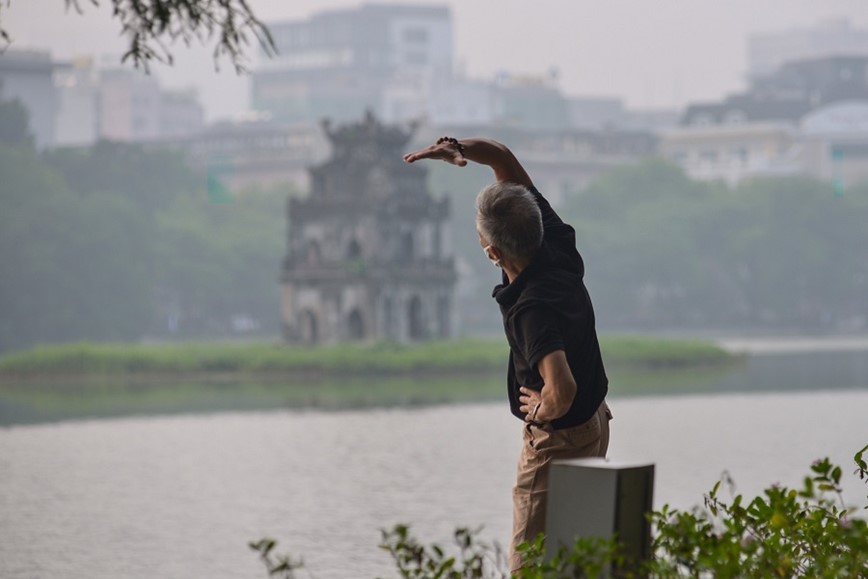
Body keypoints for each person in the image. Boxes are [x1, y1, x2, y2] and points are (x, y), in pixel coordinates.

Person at [404, 136, 612, 572]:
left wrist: (541, 409)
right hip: (595, 422)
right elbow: (501, 157)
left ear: (493, 253)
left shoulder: (530, 310)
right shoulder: (558, 245)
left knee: (528, 564)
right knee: (579, 551)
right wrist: (459, 148)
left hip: (558, 439)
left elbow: (563, 387)